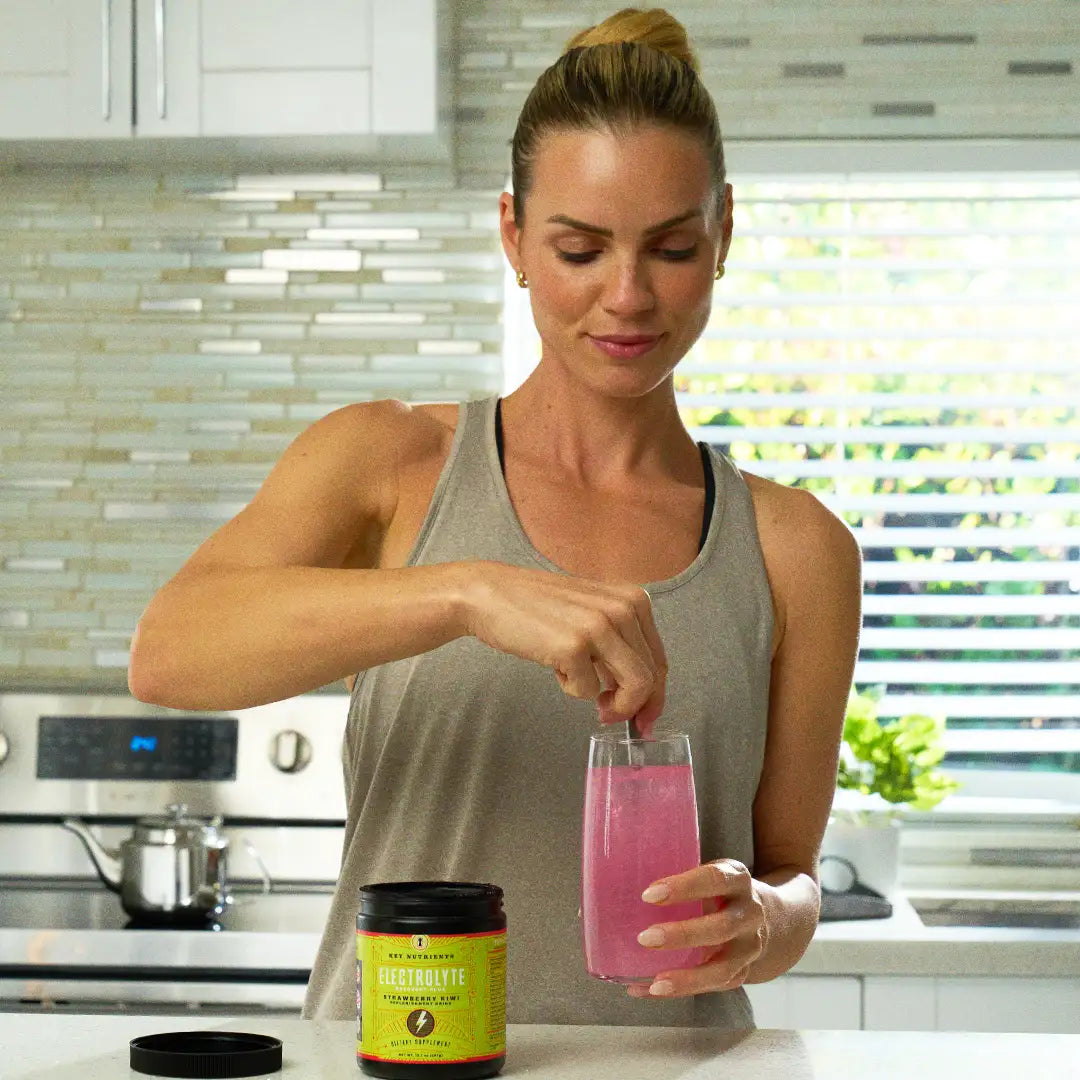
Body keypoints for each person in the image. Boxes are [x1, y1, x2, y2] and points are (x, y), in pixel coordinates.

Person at [128, 7, 861, 1029]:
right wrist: (470, 590)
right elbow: (168, 653)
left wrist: (768, 920)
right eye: (579, 248)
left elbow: (792, 871)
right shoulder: (388, 464)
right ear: (513, 236)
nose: (628, 295)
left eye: (673, 247)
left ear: (725, 233)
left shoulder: (796, 550)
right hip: (400, 1060)